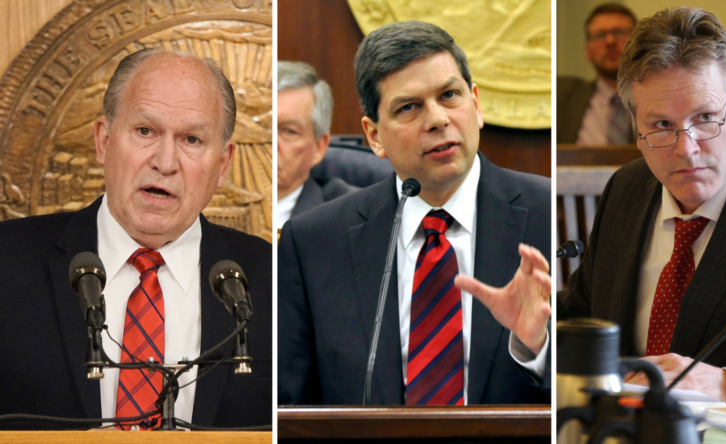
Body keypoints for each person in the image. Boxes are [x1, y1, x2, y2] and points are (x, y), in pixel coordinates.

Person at [558, 6, 726, 414]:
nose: (686, 149)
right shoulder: (627, 189)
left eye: (705, 118)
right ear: (635, 129)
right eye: (662, 125)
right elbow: (581, 320)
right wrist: (535, 331)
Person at [278, 20, 551, 405]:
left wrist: (536, 345)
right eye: (409, 107)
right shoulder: (313, 242)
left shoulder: (547, 215)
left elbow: (589, 389)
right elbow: (288, 409)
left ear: (476, 103)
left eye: (449, 95)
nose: (437, 119)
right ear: (374, 136)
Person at [0, 49, 271, 429]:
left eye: (192, 139)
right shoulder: (6, 261)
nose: (165, 161)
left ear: (223, 164)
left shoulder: (273, 278)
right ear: (103, 141)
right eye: (145, 131)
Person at [277, 61, 356, 230]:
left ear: (319, 147)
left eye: (289, 131)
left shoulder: (353, 215)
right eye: (264, 128)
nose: (271, 143)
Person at [557, 3, 637, 145]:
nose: (610, 41)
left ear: (639, 43)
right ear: (587, 50)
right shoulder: (562, 98)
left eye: (619, 32)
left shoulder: (662, 98)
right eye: (600, 35)